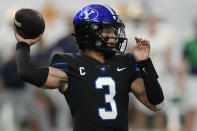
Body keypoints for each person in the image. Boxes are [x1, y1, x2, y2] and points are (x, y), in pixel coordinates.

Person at [13, 4, 164, 131]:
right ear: (87, 34)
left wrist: (145, 63)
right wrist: (23, 44)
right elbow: (27, 72)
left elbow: (155, 102)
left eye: (114, 30)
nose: (114, 36)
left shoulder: (125, 62)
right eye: (107, 30)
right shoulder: (69, 63)